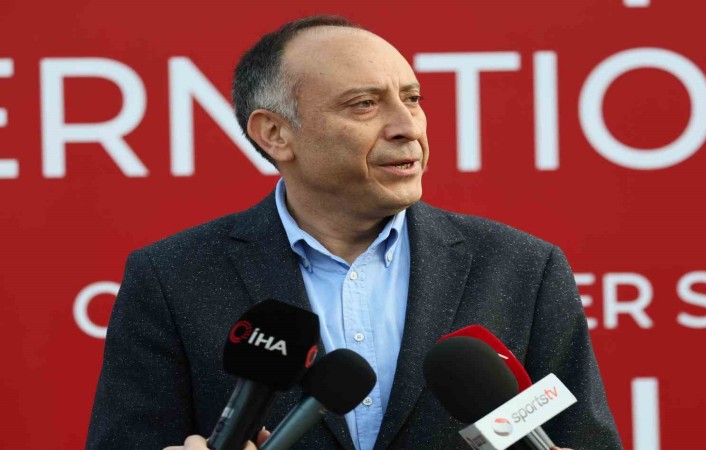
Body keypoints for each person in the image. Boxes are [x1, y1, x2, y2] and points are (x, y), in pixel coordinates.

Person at [86, 15, 622, 450]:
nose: (407, 127)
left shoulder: (524, 267)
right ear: (275, 134)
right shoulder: (172, 276)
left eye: (412, 98)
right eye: (364, 104)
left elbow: (581, 439)